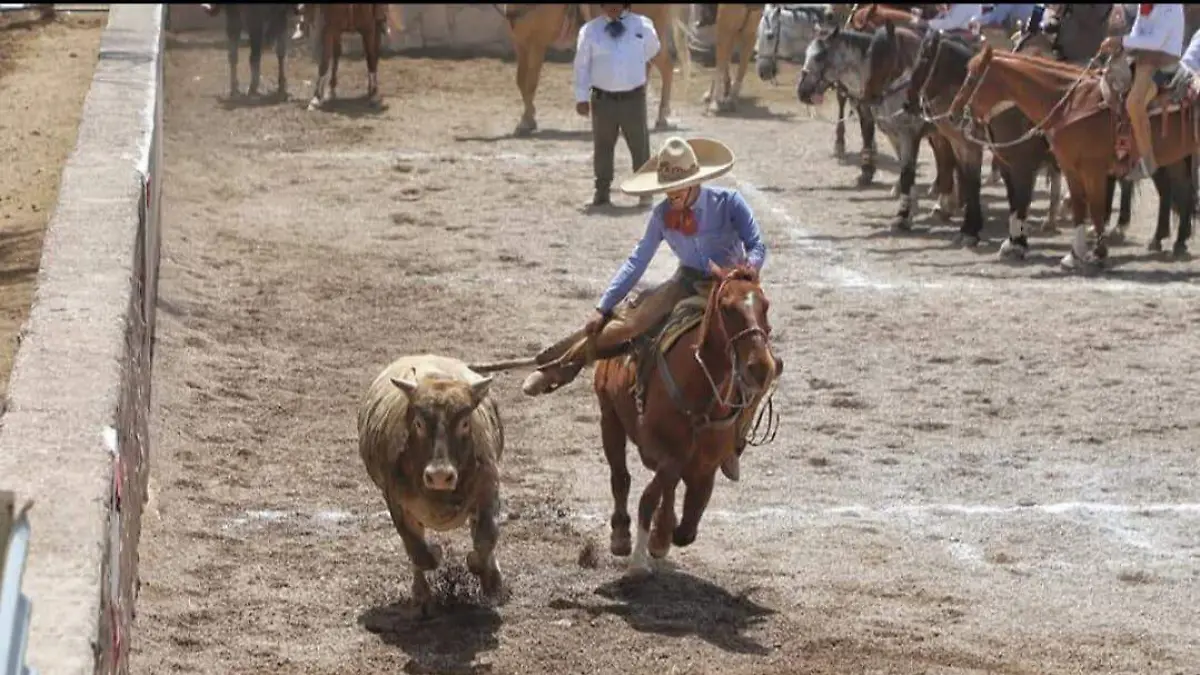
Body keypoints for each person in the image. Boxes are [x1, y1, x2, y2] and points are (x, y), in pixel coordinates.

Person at [521, 136, 777, 482]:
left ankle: (735, 440)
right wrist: (603, 305)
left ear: (695, 182)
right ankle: (559, 364)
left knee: (762, 365)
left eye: (679, 186)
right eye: (668, 187)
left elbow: (757, 243)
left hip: (731, 289)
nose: (672, 194)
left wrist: (748, 269)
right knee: (627, 325)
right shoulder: (662, 215)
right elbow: (638, 260)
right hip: (687, 281)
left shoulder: (729, 202)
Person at [575, 4, 660, 208]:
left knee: (639, 145)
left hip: (633, 99)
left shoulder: (643, 26)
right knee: (603, 146)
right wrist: (581, 97)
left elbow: (652, 49)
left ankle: (645, 191)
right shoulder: (589, 31)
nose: (612, 7)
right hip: (603, 100)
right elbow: (582, 65)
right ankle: (602, 192)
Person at [1099, 4, 1186, 182]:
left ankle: (1148, 161)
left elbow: (1156, 41)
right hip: (1144, 59)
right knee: (1108, 84)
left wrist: (1121, 41)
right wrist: (1120, 44)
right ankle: (1119, 150)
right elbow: (1138, 32)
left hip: (1164, 64)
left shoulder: (1171, 7)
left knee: (1134, 103)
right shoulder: (1145, 5)